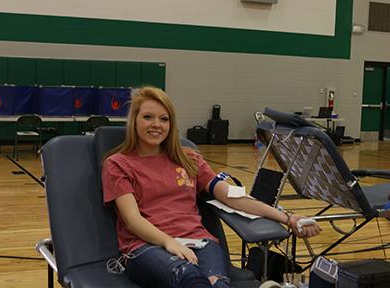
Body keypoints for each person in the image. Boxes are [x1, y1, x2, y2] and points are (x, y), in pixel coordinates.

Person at [102, 87, 321, 288]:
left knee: (218, 284)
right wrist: (169, 242)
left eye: (164, 119)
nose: (156, 125)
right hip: (145, 247)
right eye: (148, 117)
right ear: (134, 121)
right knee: (190, 277)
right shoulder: (118, 164)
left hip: (199, 241)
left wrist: (288, 218)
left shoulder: (188, 159)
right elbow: (132, 219)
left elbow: (233, 197)